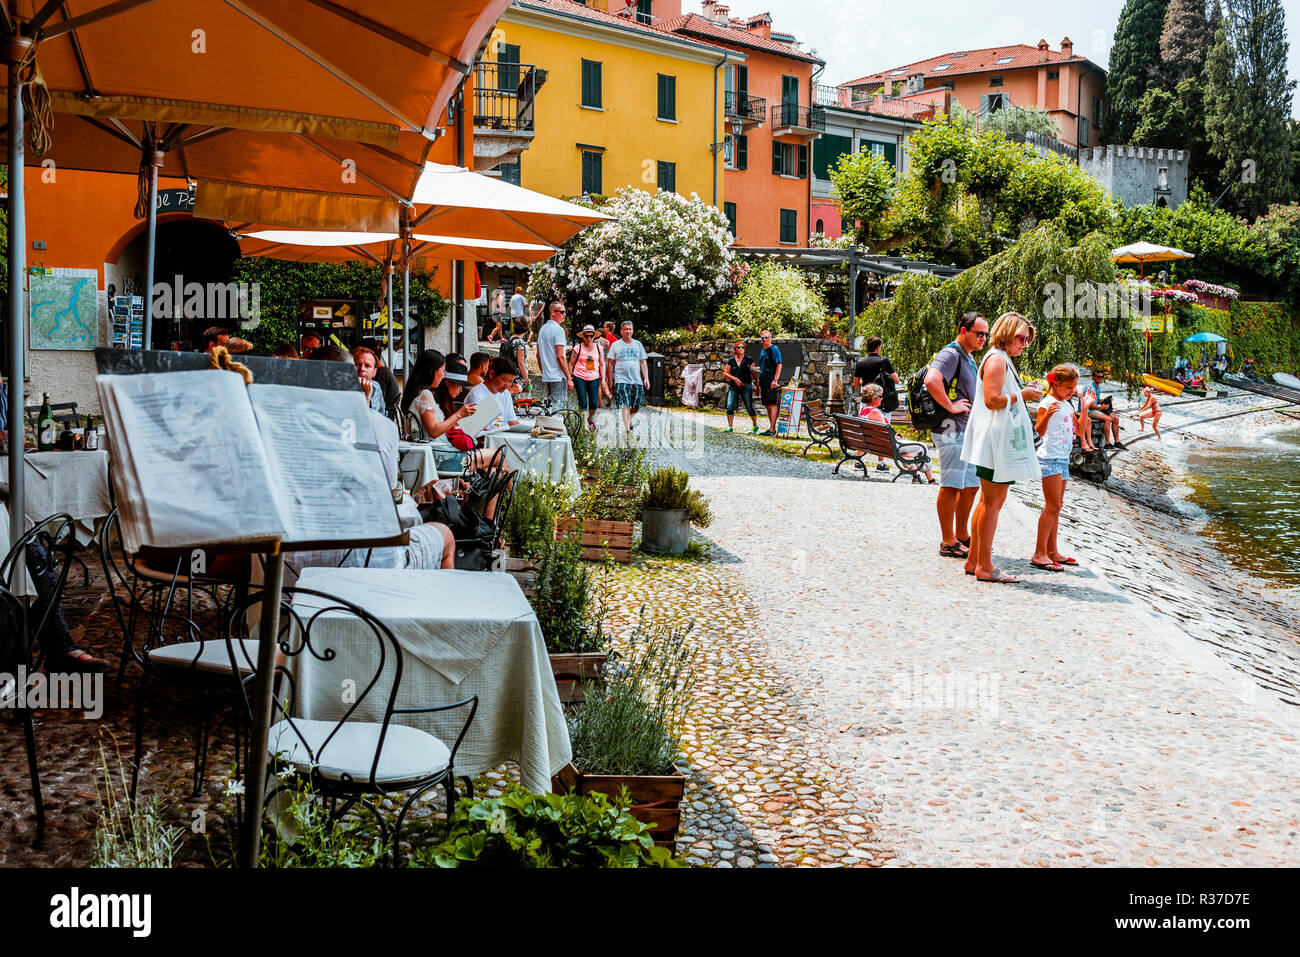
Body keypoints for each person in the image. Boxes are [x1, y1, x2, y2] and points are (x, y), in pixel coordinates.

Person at [960, 312, 1042, 584]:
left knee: (987, 501)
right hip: (995, 441)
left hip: (992, 440)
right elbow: (992, 400)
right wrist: (1024, 395)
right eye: (1022, 338)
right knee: (993, 503)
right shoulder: (997, 359)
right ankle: (985, 566)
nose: (1024, 345)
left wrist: (1021, 392)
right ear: (1008, 333)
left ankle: (974, 560)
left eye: (1027, 341)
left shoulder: (999, 358)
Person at [925, 311, 987, 560]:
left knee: (970, 485)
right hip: (951, 429)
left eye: (986, 334)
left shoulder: (968, 356)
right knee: (951, 485)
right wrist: (951, 406)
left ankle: (961, 536)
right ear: (964, 331)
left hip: (965, 430)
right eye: (979, 333)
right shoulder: (951, 353)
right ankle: (947, 540)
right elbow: (932, 380)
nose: (984, 338)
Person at [1031, 365, 1081, 572]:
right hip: (1049, 458)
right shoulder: (1048, 403)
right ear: (1055, 384)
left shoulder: (1067, 404)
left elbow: (1080, 429)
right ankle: (1039, 553)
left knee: (1057, 506)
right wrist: (1047, 415)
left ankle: (1052, 550)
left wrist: (1084, 408)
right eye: (1068, 387)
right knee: (1051, 506)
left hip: (1062, 458)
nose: (1072, 391)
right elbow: (1039, 431)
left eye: (1074, 387)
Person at [859, 383, 934, 482]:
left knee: (907, 453)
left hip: (876, 445)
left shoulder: (863, 411)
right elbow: (887, 431)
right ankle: (931, 479)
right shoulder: (875, 412)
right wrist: (895, 437)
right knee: (922, 447)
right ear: (873, 397)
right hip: (888, 445)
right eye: (881, 396)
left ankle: (915, 476)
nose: (882, 399)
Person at [607, 320, 650, 432]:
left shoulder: (638, 344)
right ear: (621, 331)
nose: (628, 331)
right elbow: (610, 363)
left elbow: (643, 362)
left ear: (632, 331)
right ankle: (627, 428)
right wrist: (611, 380)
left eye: (630, 329)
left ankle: (628, 419)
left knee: (637, 405)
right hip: (621, 380)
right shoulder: (616, 345)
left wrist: (646, 378)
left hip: (636, 380)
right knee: (626, 404)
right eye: (626, 329)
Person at [466, 357, 523, 428]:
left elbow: (512, 421)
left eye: (511, 381)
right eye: (504, 380)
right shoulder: (476, 394)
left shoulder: (506, 394)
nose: (508, 385)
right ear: (491, 374)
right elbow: (475, 428)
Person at [537, 301, 573, 412]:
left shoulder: (542, 329)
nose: (564, 314)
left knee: (550, 408)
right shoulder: (559, 330)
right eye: (562, 312)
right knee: (558, 410)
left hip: (548, 375)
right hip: (558, 376)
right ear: (553, 312)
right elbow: (560, 356)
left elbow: (538, 355)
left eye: (565, 312)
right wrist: (569, 377)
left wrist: (544, 372)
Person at [570, 325, 606, 430]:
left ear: (594, 336)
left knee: (594, 403)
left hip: (594, 377)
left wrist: (603, 378)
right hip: (579, 376)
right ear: (583, 336)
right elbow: (571, 363)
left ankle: (590, 418)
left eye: (591, 336)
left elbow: (602, 364)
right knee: (583, 402)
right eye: (586, 336)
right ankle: (584, 426)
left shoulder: (599, 348)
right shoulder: (578, 348)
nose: (589, 338)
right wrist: (569, 377)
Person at [852, 336, 900, 414]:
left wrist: (862, 382)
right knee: (883, 425)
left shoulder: (860, 362)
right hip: (881, 403)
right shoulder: (884, 361)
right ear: (878, 347)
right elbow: (896, 380)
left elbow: (855, 384)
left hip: (866, 402)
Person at [722, 340, 758, 434]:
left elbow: (754, 373)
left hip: (746, 386)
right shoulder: (731, 360)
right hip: (734, 387)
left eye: (742, 347)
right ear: (735, 350)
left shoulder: (749, 360)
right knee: (730, 406)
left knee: (749, 407)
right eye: (739, 347)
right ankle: (730, 427)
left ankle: (755, 426)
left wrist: (757, 385)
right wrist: (734, 379)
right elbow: (725, 373)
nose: (741, 349)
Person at [1080, 370, 1122, 451]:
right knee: (1107, 419)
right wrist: (1101, 408)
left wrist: (1105, 400)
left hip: (1094, 409)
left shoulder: (1097, 387)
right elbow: (1088, 404)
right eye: (1098, 376)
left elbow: (1097, 400)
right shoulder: (1089, 387)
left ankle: (1117, 442)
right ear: (1093, 377)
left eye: (1101, 377)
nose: (1100, 378)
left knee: (1115, 418)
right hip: (1088, 411)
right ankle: (1108, 443)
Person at [360, 336, 402, 416]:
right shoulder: (384, 371)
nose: (362, 368)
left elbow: (375, 406)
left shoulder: (380, 375)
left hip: (385, 418)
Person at [756, 331, 783, 435]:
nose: (764, 339)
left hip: (771, 381)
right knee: (767, 405)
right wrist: (755, 369)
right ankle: (770, 428)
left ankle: (772, 430)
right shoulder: (763, 350)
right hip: (763, 381)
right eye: (762, 338)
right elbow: (764, 366)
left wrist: (775, 380)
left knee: (772, 404)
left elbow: (779, 364)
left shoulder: (774, 349)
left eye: (766, 337)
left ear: (770, 338)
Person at [350, 345, 387, 414]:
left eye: (367, 366)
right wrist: (366, 396)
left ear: (374, 372)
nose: (362, 369)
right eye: (357, 364)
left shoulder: (376, 386)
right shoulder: (341, 390)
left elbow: (382, 414)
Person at [499, 326, 530, 392]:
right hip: (518, 377)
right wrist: (526, 379)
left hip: (510, 373)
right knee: (516, 395)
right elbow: (521, 364)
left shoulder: (511, 338)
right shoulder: (519, 343)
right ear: (526, 329)